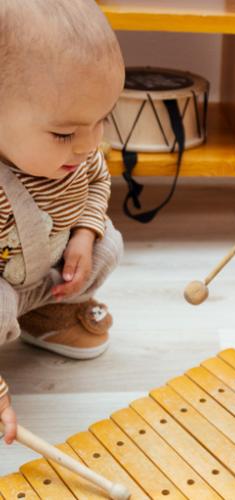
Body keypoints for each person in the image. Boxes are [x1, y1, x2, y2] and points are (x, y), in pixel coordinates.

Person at [0, 0, 125, 446]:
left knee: (111, 243)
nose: (89, 144)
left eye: (102, 120)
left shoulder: (82, 151)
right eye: (64, 134)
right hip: (5, 287)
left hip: (49, 271)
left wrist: (86, 235)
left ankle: (49, 315)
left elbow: (97, 184)